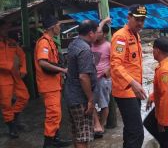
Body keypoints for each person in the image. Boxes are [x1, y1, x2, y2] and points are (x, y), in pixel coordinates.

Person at [110, 4, 147, 148]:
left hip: (134, 90)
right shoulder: (120, 37)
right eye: (137, 19)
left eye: (143, 20)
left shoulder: (136, 35)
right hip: (125, 90)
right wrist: (133, 83)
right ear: (129, 17)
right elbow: (115, 65)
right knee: (137, 133)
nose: (140, 23)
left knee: (130, 129)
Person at [34, 15, 71, 148]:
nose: (60, 28)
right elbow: (43, 63)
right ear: (52, 27)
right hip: (48, 85)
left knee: (56, 114)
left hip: (53, 84)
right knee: (53, 115)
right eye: (58, 25)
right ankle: (48, 144)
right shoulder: (44, 42)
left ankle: (55, 139)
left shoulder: (50, 41)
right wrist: (63, 70)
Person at [64, 20, 98, 148]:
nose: (97, 35)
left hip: (71, 95)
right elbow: (83, 77)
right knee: (83, 137)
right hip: (80, 98)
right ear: (90, 33)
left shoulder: (74, 44)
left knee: (77, 132)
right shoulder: (85, 50)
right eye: (96, 32)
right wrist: (90, 99)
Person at [144, 37, 168, 148]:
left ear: (157, 51)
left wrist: (163, 122)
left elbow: (167, 96)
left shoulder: (164, 71)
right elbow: (162, 89)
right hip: (167, 106)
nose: (152, 52)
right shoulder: (167, 64)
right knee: (149, 123)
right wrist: (152, 97)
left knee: (164, 137)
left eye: (153, 49)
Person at [0, 19, 29, 138]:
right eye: (5, 27)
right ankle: (12, 127)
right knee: (6, 103)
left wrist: (23, 69)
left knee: (24, 97)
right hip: (3, 77)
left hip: (15, 75)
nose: (7, 29)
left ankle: (14, 116)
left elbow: (22, 54)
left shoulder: (11, 42)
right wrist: (9, 65)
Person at [91, 18, 112, 138]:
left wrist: (108, 71)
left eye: (98, 32)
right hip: (91, 79)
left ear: (104, 34)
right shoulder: (90, 44)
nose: (95, 33)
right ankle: (96, 123)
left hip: (103, 80)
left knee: (104, 104)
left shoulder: (108, 46)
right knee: (91, 102)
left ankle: (102, 126)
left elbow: (115, 63)